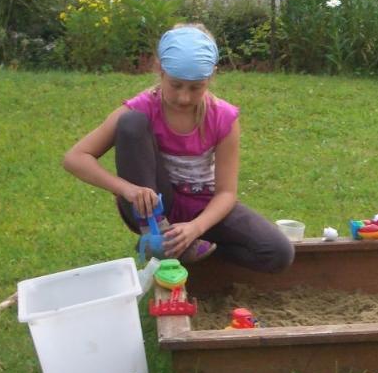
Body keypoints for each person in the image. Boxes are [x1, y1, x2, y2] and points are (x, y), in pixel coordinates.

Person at [62, 23, 294, 273]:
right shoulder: (143, 107)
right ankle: (159, 236)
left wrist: (196, 228)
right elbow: (75, 157)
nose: (184, 97)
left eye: (196, 88)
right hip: (154, 205)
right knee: (130, 123)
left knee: (278, 253)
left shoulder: (223, 117)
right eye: (176, 85)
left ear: (211, 76)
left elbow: (226, 194)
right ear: (160, 69)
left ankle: (190, 247)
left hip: (202, 206)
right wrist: (127, 190)